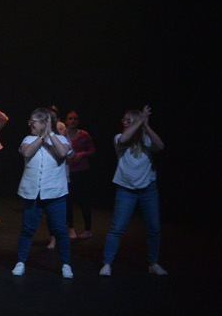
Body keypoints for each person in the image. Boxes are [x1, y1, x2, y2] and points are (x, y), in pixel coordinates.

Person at [100, 106, 166, 276]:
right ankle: (107, 264)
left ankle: (153, 263)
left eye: (128, 120)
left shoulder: (147, 140)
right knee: (117, 228)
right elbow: (123, 139)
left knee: (154, 228)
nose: (124, 122)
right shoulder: (119, 138)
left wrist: (145, 125)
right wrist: (139, 122)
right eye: (124, 120)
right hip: (126, 190)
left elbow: (160, 146)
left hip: (148, 190)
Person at [11, 108, 73, 278]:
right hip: (33, 192)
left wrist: (50, 134)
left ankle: (66, 264)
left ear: (45, 123)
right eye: (30, 121)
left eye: (34, 121)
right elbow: (27, 152)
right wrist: (41, 137)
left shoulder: (61, 139)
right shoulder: (28, 139)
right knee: (27, 229)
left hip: (55, 192)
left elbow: (62, 153)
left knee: (60, 230)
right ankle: (21, 262)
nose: (30, 124)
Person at [62, 110, 96, 239]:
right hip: (68, 172)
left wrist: (83, 154)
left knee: (84, 201)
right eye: (70, 118)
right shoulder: (62, 135)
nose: (73, 121)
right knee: (68, 201)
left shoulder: (84, 135)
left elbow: (92, 151)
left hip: (82, 171)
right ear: (66, 121)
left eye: (75, 119)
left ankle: (87, 229)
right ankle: (71, 228)